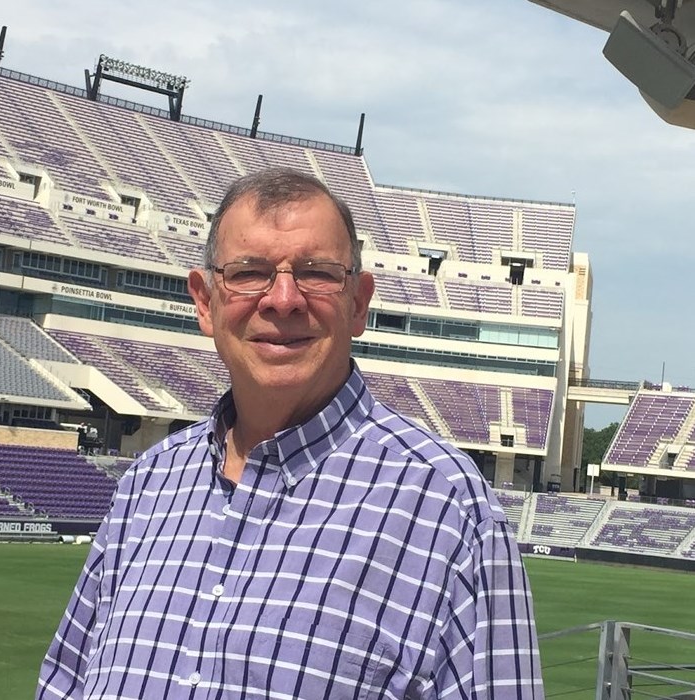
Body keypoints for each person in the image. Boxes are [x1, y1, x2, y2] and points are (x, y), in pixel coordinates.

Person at [37, 167, 543, 699]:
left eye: (317, 272)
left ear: (359, 303)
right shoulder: (146, 487)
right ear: (205, 302)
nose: (283, 298)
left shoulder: (448, 508)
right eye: (250, 272)